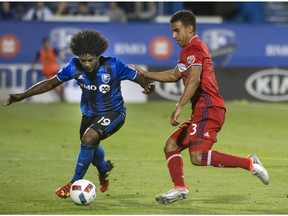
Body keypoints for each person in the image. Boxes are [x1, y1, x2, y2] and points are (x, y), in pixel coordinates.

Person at [132, 10, 269, 205]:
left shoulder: (195, 48)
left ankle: (249, 163)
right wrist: (146, 74)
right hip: (202, 110)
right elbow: (174, 75)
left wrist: (179, 106)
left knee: (197, 157)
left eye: (177, 31)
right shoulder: (187, 51)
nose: (173, 36)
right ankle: (179, 188)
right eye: (172, 31)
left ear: (189, 29)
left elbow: (194, 80)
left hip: (209, 107)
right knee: (171, 145)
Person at [4, 29, 155, 199]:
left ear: (98, 55)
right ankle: (103, 169)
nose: (87, 64)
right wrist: (22, 95)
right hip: (89, 115)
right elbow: (50, 83)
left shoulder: (114, 65)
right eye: (83, 60)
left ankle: (73, 183)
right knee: (92, 147)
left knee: (88, 139)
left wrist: (147, 86)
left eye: (90, 60)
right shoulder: (74, 66)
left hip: (114, 113)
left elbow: (138, 77)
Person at [31, 37, 65, 102]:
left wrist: (62, 56)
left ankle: (62, 95)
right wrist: (33, 66)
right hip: (47, 72)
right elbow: (35, 59)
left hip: (55, 70)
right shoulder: (40, 52)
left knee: (62, 85)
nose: (46, 45)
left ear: (49, 43)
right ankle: (61, 96)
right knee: (52, 86)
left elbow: (61, 56)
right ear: (43, 44)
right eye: (45, 43)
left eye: (47, 43)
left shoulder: (54, 50)